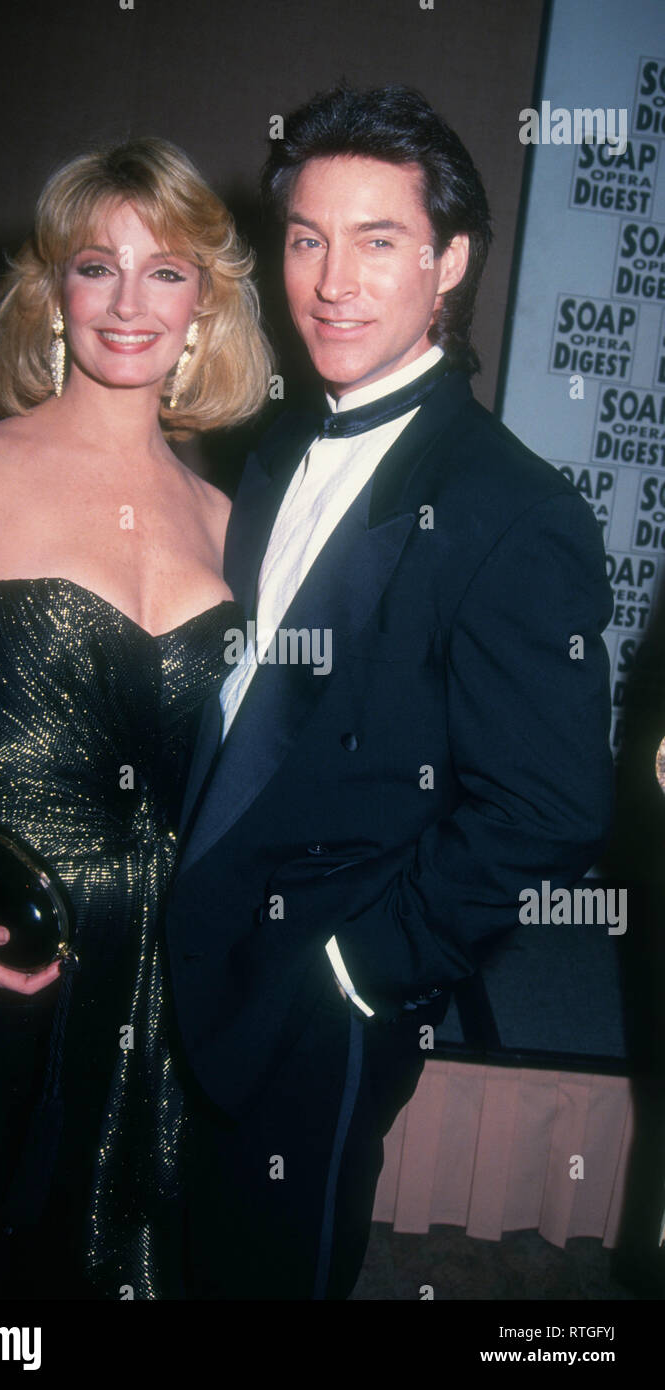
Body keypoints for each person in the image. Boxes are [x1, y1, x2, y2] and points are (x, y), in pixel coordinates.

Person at [162, 85, 616, 1299]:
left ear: (450, 260)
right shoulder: (269, 453)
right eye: (306, 238)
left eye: (378, 241)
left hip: (327, 992)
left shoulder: (516, 510)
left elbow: (553, 805)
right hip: (197, 946)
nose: (331, 281)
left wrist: (365, 967)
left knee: (268, 1275)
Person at [0, 136, 271, 1299]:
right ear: (52, 290)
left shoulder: (228, 524)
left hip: (163, 983)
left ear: (203, 308)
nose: (127, 300)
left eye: (166, 272)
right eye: (96, 265)